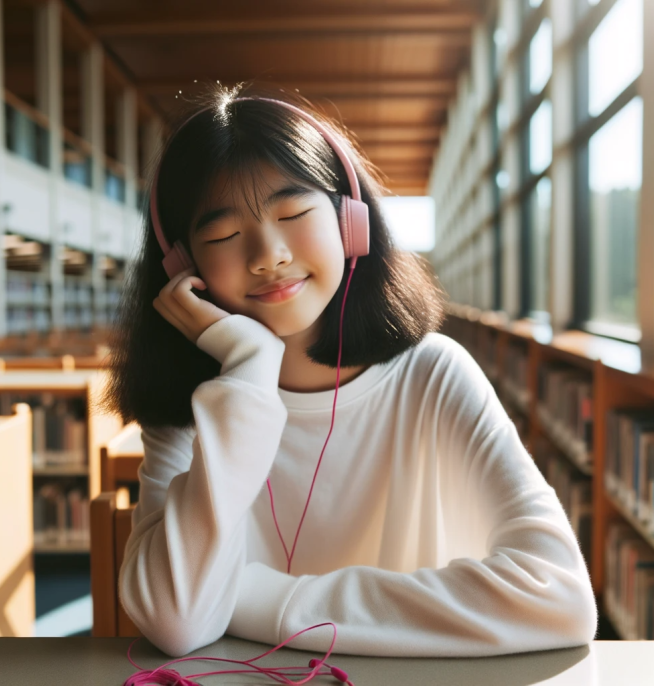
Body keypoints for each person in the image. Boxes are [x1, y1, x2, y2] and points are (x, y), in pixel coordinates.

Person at [103, 86, 597, 658]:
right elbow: (177, 620)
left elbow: (557, 596)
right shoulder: (192, 406)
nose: (269, 254)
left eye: (293, 212)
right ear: (182, 266)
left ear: (350, 221)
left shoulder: (432, 375)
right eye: (224, 235)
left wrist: (259, 601)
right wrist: (247, 372)